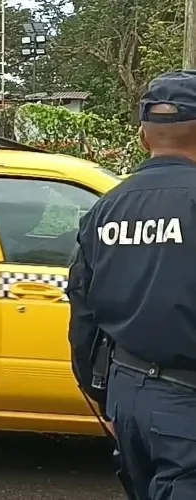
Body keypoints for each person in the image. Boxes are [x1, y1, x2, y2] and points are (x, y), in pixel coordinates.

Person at [67, 70, 196, 500]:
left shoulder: (104, 210)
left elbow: (82, 314)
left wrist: (101, 395)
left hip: (128, 396)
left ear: (143, 135)